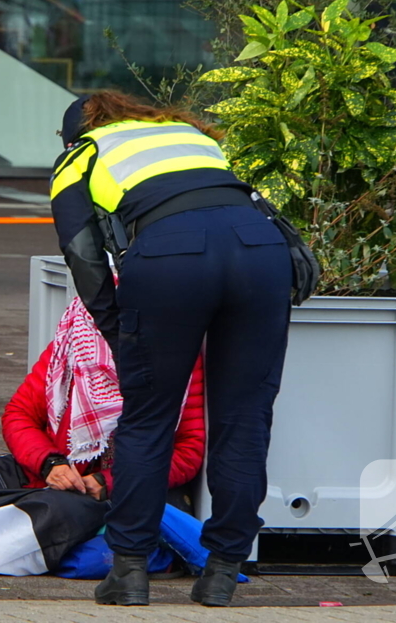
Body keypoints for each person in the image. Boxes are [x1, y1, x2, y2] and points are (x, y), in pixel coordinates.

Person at [50, 91, 293, 607]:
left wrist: (117, 329)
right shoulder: (191, 136)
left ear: (74, 131)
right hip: (261, 253)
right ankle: (224, 570)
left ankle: (130, 571)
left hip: (170, 258)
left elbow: (82, 252)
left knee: (149, 417)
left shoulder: (83, 153)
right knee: (245, 418)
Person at [0, 295, 205, 538]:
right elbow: (18, 415)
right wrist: (50, 464)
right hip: (46, 474)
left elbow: (188, 452)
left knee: (56, 512)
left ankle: (12, 528)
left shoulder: (178, 361)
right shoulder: (70, 347)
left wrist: (107, 481)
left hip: (123, 488)